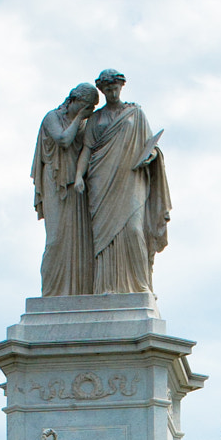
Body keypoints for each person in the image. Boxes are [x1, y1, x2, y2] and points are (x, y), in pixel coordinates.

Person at [76, 70, 170, 294]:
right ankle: (106, 287)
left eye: (115, 88)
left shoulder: (135, 114)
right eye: (107, 89)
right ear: (102, 90)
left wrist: (151, 156)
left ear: (122, 87)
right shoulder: (96, 119)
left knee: (134, 229)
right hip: (101, 179)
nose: (112, 92)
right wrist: (78, 176)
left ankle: (139, 286)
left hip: (131, 177)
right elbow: (87, 149)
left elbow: (151, 145)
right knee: (103, 237)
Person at [31, 84, 98, 295]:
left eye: (91, 108)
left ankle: (78, 292)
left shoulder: (86, 124)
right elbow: (63, 140)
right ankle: (51, 293)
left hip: (76, 186)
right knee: (56, 239)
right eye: (85, 106)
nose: (88, 111)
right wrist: (80, 118)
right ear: (73, 100)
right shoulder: (52, 117)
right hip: (55, 181)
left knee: (79, 240)